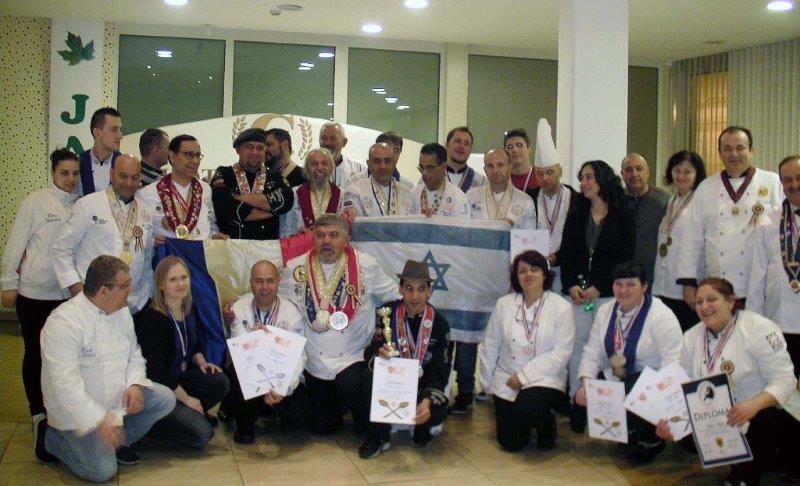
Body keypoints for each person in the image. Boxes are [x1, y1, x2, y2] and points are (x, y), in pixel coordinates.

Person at [36, 256, 175, 482]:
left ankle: (116, 442)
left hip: (114, 402)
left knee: (164, 399)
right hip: (77, 414)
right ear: (103, 291)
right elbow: (65, 386)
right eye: (125, 285)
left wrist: (135, 384)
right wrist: (99, 420)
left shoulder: (121, 311)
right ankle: (53, 439)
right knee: (102, 472)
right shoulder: (63, 323)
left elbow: (134, 354)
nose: (130, 290)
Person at [657, 277, 798, 485]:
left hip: (768, 410)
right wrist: (671, 421)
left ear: (731, 301)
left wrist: (753, 405)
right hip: (723, 414)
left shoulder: (758, 328)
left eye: (712, 299)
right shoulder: (691, 337)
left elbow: (786, 381)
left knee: (761, 421)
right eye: (699, 301)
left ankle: (757, 468)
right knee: (683, 432)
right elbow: (684, 385)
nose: (704, 306)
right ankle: (742, 464)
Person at [278, 213, 397, 434]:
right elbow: (278, 306)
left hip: (353, 357)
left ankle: (358, 411)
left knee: (355, 400)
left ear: (347, 238)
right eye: (320, 235)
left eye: (334, 235)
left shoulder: (367, 265)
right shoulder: (295, 268)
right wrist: (237, 306)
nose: (326, 241)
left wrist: (386, 331)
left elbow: (395, 297)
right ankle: (337, 407)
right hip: (314, 360)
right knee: (322, 426)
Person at [573, 261, 682, 463]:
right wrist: (586, 383)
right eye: (618, 284)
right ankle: (630, 431)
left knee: (631, 389)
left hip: (653, 382)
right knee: (589, 394)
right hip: (619, 375)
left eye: (631, 284)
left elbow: (672, 365)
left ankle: (651, 440)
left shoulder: (662, 316)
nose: (623, 291)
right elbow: (592, 352)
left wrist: (664, 407)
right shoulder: (605, 311)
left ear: (644, 286)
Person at [2, 149, 80, 423]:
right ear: (52, 173)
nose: (70, 179)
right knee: (35, 353)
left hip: (67, 295)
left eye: (75, 173)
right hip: (34, 295)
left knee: (62, 356)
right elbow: (15, 244)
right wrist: (8, 283)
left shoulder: (81, 205)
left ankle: (58, 408)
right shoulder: (35, 202)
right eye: (64, 173)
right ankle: (37, 412)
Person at [559, 160, 636, 423]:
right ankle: (577, 401)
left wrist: (599, 287)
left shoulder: (623, 213)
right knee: (577, 347)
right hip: (578, 295)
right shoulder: (578, 211)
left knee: (606, 348)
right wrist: (572, 285)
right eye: (581, 177)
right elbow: (567, 253)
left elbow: (625, 257)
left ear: (603, 179)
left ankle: (603, 406)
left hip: (608, 295)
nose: (583, 183)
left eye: (589, 177)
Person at [677, 126, 784, 308]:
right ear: (719, 153)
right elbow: (691, 238)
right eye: (727, 149)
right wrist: (688, 282)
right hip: (717, 286)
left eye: (740, 147)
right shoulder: (706, 187)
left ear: (752, 150)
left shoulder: (772, 182)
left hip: (761, 283)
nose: (734, 154)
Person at [479, 250, 575, 452]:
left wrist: (524, 376)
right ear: (516, 277)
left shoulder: (561, 307)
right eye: (522, 271)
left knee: (528, 409)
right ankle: (525, 421)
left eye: (534, 269)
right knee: (510, 443)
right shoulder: (504, 304)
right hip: (507, 377)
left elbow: (561, 354)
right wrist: (487, 382)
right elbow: (491, 344)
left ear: (545, 274)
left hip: (545, 377)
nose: (529, 274)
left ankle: (546, 424)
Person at [133, 256, 230, 449]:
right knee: (202, 435)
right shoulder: (153, 318)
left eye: (184, 277)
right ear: (161, 285)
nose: (180, 284)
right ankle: (153, 427)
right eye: (173, 279)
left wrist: (202, 362)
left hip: (179, 378)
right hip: (160, 389)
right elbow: (157, 372)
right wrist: (187, 399)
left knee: (219, 381)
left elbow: (194, 345)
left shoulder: (188, 308)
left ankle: (186, 415)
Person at [358, 260, 451, 458]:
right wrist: (379, 354)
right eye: (409, 288)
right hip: (392, 385)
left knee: (440, 406)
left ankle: (421, 426)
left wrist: (427, 400)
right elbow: (370, 351)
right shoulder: (386, 313)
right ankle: (379, 434)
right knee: (368, 375)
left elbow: (440, 371)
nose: (415, 296)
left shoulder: (440, 323)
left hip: (422, 385)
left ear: (430, 292)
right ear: (400, 289)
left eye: (421, 289)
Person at [51, 154, 155, 314]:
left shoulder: (145, 210)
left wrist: (143, 295)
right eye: (123, 176)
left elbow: (147, 259)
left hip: (131, 305)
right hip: (91, 303)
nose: (129, 183)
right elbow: (61, 249)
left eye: (134, 178)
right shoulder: (88, 205)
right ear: (111, 174)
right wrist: (77, 289)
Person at [227, 260, 308, 444]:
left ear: (279, 281)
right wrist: (267, 340)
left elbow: (298, 358)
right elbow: (240, 354)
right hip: (251, 375)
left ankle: (273, 410)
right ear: (251, 282)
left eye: (270, 281)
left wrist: (283, 388)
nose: (264, 287)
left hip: (282, 376)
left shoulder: (291, 312)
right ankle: (245, 426)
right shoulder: (239, 308)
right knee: (235, 371)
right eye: (259, 281)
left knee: (296, 421)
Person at [748, 155, 800, 373]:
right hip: (779, 320)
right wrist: (753, 322)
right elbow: (757, 275)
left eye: (798, 177)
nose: (794, 184)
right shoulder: (768, 221)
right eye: (787, 180)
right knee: (783, 382)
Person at [652, 151, 707, 331]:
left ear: (697, 174)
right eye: (677, 170)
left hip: (685, 288)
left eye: (687, 172)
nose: (681, 176)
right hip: (664, 284)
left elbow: (698, 247)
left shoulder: (701, 202)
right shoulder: (672, 200)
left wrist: (690, 283)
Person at [137, 134, 228, 242]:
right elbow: (141, 234)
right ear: (172, 156)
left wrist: (214, 235)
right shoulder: (147, 193)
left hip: (201, 251)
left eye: (198, 155)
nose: (195, 161)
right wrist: (152, 242)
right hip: (169, 252)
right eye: (189, 155)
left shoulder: (205, 189)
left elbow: (210, 225)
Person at [211, 128, 294, 240]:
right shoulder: (224, 173)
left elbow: (287, 201)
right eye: (249, 147)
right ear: (238, 150)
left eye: (260, 148)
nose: (255, 152)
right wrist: (271, 211)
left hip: (267, 247)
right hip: (231, 245)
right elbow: (223, 208)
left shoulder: (275, 176)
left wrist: (238, 197)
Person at [526, 118, 579, 294]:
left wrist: (558, 257)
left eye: (550, 172)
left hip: (568, 271)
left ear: (560, 171)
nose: (545, 178)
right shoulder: (529, 198)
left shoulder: (577, 200)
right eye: (540, 173)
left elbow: (579, 239)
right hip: (536, 269)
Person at [621, 153, 671, 283]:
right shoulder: (615, 201)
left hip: (654, 274)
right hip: (621, 275)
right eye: (628, 170)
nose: (634, 174)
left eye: (639, 169)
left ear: (648, 172)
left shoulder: (664, 201)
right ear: (622, 174)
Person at [280, 148, 343, 237]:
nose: (320, 168)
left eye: (325, 163)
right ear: (306, 169)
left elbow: (345, 232)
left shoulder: (342, 195)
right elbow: (285, 230)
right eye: (314, 164)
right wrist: (297, 236)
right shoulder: (295, 194)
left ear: (332, 168)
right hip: (301, 244)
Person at [467, 147, 535, 228]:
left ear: (509, 167)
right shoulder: (472, 196)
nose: (495, 170)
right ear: (485, 170)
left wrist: (510, 228)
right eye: (490, 166)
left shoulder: (526, 201)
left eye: (500, 165)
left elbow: (529, 234)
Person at [343, 143, 413, 217]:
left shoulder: (406, 193)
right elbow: (355, 222)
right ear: (369, 164)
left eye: (387, 161)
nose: (383, 166)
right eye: (377, 161)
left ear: (394, 164)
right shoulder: (355, 191)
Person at [411, 143, 470, 218]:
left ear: (444, 166)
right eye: (421, 167)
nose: (424, 173)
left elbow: (462, 225)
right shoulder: (413, 194)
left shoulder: (458, 197)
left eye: (430, 168)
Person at [78, 107, 122, 195]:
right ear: (97, 133)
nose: (120, 135)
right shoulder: (79, 163)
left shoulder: (123, 164)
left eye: (120, 129)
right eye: (114, 130)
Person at [345, 131, 414, 188]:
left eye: (396, 150)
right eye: (386, 148)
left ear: (400, 152)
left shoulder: (408, 186)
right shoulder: (355, 181)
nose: (391, 154)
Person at [319, 122, 367, 187]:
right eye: (323, 138)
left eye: (333, 138)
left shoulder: (360, 169)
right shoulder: (310, 169)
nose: (327, 143)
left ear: (344, 142)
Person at [445, 126, 486, 191]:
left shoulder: (482, 182)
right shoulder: (433, 178)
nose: (462, 146)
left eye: (466, 144)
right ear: (446, 145)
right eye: (457, 141)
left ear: (471, 149)